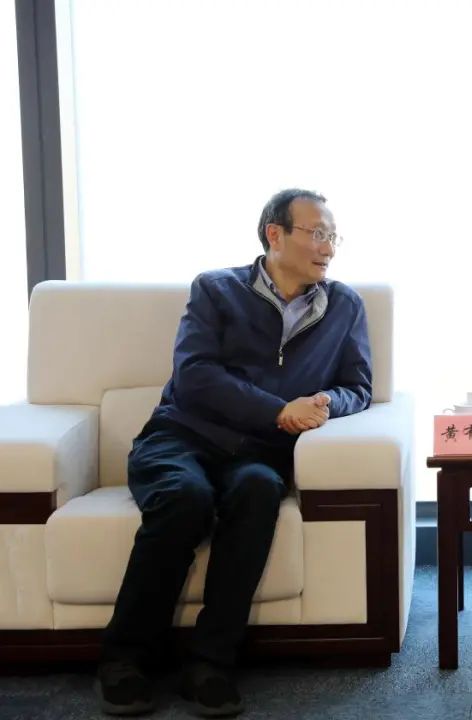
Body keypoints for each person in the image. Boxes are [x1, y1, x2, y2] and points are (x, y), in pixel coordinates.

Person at [96, 188, 373, 717]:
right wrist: (277, 409)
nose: (329, 247)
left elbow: (357, 387)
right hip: (182, 436)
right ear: (275, 234)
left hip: (260, 453)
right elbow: (194, 375)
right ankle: (124, 660)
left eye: (334, 236)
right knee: (185, 497)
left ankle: (210, 664)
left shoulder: (344, 306)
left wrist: (322, 403)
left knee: (258, 490)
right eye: (318, 233)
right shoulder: (216, 289)